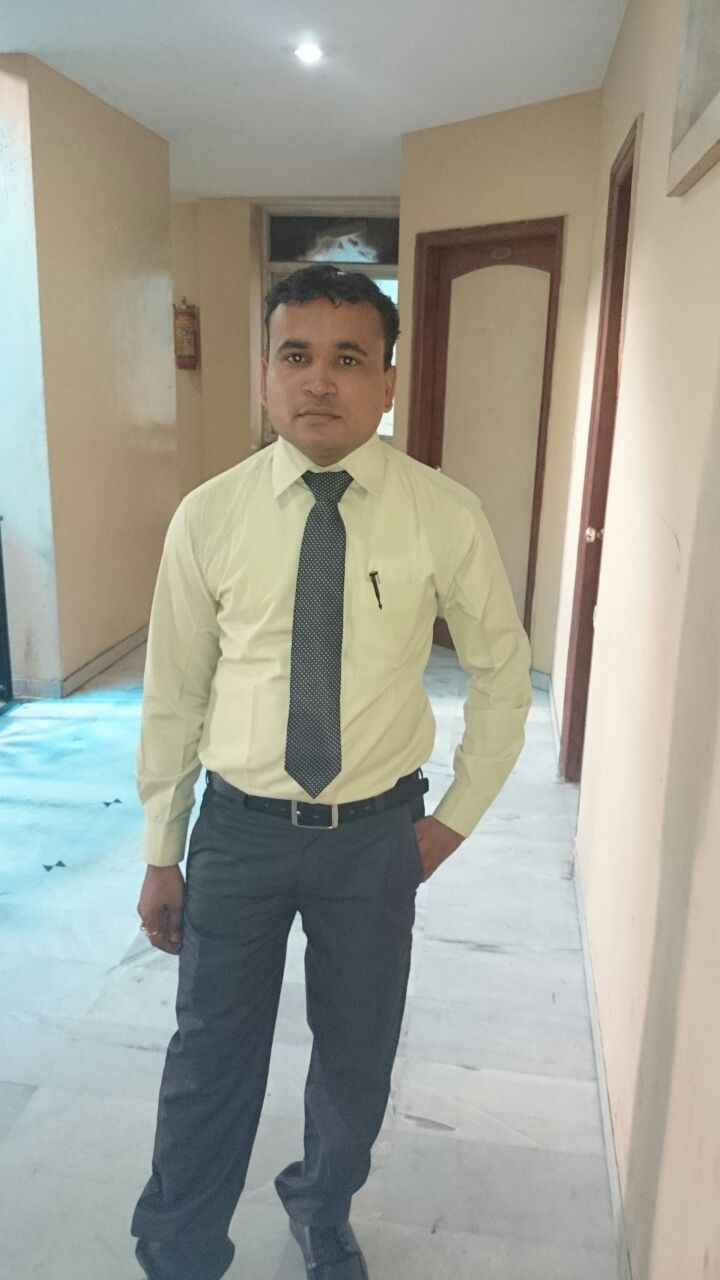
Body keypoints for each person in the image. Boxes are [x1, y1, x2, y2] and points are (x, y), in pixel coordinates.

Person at [131, 264, 532, 1280]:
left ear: (387, 380)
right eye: (295, 355)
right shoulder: (208, 517)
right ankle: (180, 1246)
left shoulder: (443, 513)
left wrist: (454, 817)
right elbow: (175, 693)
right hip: (238, 833)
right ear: (266, 375)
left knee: (357, 1054)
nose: (319, 380)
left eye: (348, 357)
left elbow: (503, 671)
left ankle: (321, 1202)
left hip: (374, 839)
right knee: (209, 1054)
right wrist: (161, 848)